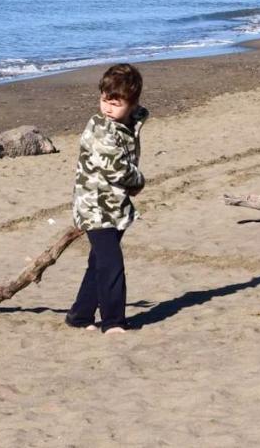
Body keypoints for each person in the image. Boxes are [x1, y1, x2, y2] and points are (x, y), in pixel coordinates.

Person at [65, 63, 148, 334]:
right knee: (111, 262)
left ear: (132, 103)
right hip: (94, 205)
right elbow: (115, 167)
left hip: (115, 204)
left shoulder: (130, 122)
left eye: (116, 103)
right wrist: (138, 181)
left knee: (99, 262)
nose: (108, 108)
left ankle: (79, 315)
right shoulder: (101, 129)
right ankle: (113, 321)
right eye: (104, 101)